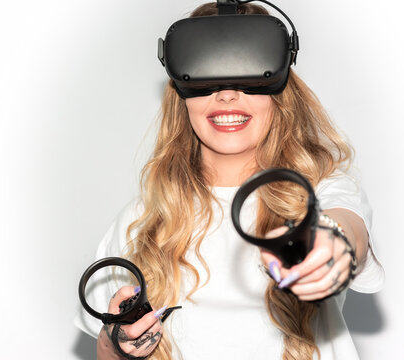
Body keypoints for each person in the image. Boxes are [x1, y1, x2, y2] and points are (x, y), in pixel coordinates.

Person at [74, 2, 384, 359]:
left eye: (249, 73)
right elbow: (107, 349)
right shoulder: (143, 219)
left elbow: (346, 230)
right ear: (181, 92)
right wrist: (118, 343)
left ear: (279, 87)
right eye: (207, 75)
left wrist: (327, 243)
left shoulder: (318, 192)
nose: (226, 94)